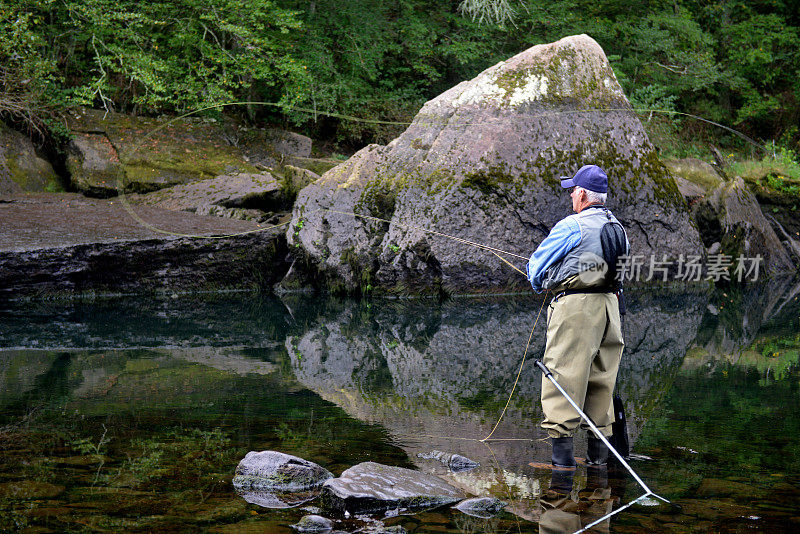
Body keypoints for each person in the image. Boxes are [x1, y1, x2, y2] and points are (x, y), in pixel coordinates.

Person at [526, 164, 630, 468]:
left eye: (573, 190)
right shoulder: (619, 228)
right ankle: (597, 468)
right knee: (602, 381)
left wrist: (540, 281)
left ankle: (562, 472)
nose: (572, 195)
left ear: (583, 194)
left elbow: (535, 270)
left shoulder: (572, 225)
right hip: (611, 309)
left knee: (562, 379)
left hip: (576, 310)